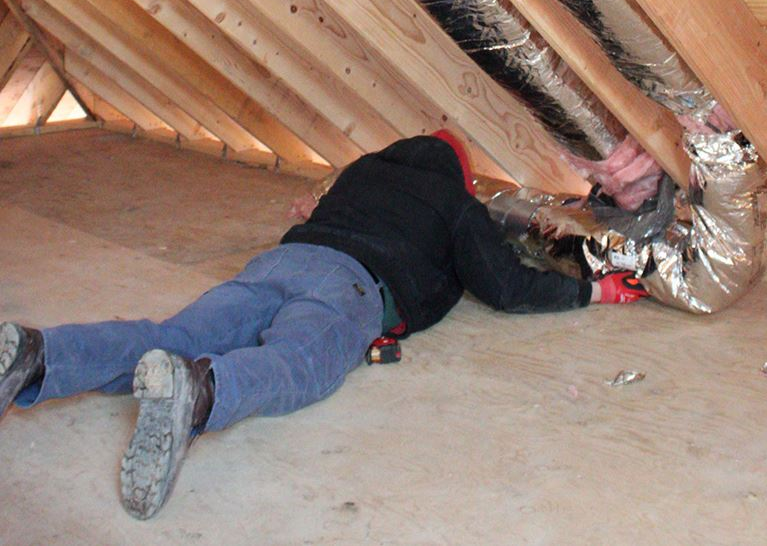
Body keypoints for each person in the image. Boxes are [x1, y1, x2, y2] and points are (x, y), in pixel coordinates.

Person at [0, 132, 646, 520]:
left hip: (281, 259)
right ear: (455, 174)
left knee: (177, 333)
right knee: (300, 361)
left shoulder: (361, 174)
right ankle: (202, 392)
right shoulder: (454, 200)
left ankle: (38, 353)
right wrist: (592, 291)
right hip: (350, 283)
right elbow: (504, 286)